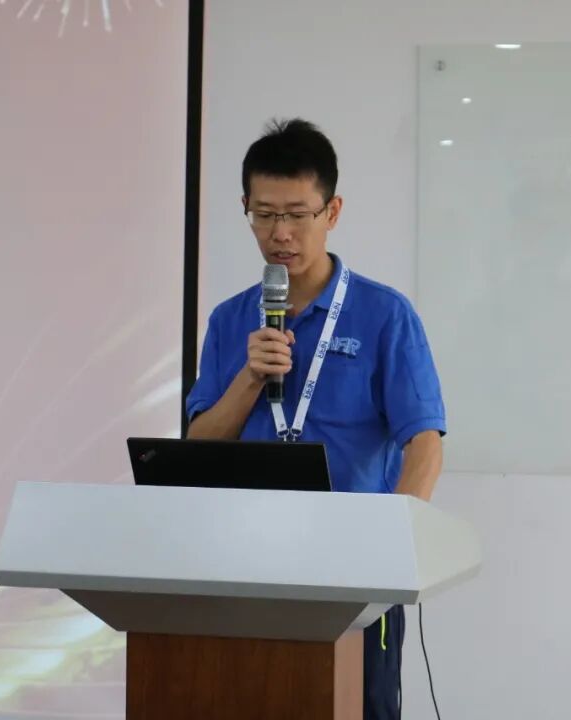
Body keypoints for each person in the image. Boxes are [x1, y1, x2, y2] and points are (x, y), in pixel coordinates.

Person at [185, 117, 446, 720]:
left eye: (297, 214)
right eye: (264, 214)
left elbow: (425, 442)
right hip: (247, 563)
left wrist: (392, 547)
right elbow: (198, 448)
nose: (281, 233)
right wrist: (250, 378)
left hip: (354, 570)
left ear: (332, 211)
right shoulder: (230, 320)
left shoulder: (384, 315)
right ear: (246, 210)